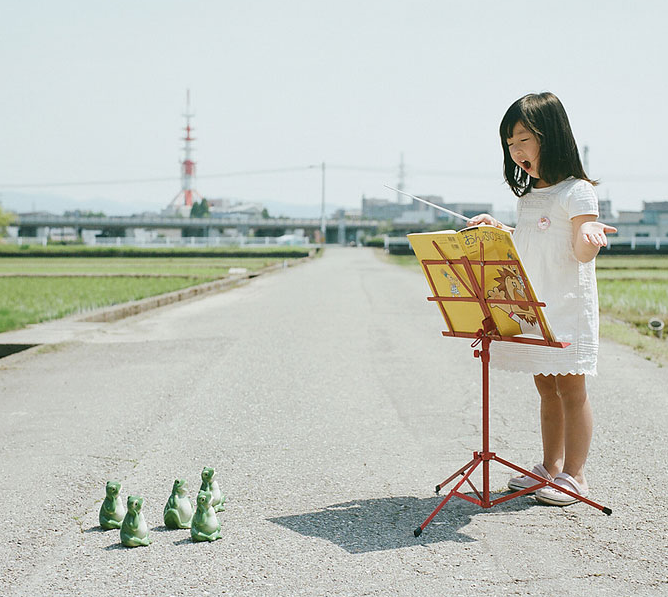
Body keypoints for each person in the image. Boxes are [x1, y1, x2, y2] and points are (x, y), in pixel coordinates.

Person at [467, 92, 616, 506]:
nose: (516, 152)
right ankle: (550, 467)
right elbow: (529, 244)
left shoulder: (577, 192)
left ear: (549, 137)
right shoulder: (529, 197)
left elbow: (581, 251)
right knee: (546, 388)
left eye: (523, 140)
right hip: (535, 305)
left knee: (572, 390)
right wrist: (499, 230)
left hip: (566, 307)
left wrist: (590, 237)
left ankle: (576, 475)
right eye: (510, 144)